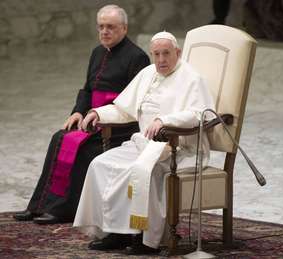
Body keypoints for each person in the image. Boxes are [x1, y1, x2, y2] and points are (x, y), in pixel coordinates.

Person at [73, 31, 214, 255]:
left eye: (166, 54)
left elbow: (201, 114)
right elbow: (122, 108)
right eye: (156, 54)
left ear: (177, 52)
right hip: (145, 145)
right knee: (100, 164)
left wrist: (165, 120)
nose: (161, 60)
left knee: (142, 171)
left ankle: (144, 238)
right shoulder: (147, 73)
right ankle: (115, 232)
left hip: (179, 150)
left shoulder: (192, 78)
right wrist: (97, 113)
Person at [13, 5, 150, 224]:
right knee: (59, 137)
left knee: (83, 149)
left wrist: (102, 116)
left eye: (111, 27)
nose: (105, 31)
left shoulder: (138, 57)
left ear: (124, 28)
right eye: (101, 27)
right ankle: (38, 205)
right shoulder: (97, 52)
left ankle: (63, 210)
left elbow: (134, 103)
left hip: (117, 126)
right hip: (90, 120)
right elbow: (87, 89)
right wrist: (77, 111)